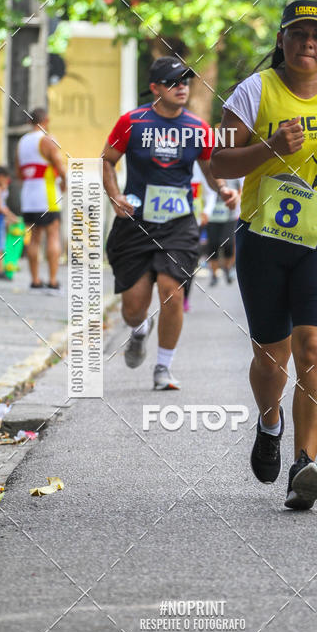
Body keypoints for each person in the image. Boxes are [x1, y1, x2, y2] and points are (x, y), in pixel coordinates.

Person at [211, 0, 317, 510]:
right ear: (281, 40)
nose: (308, 43)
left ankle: (305, 464)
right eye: (298, 34)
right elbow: (218, 161)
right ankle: (269, 422)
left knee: (313, 350)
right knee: (270, 353)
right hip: (264, 238)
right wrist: (270, 148)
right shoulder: (254, 91)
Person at [102, 56, 239, 390]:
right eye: (173, 82)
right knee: (134, 308)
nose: (182, 88)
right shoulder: (131, 122)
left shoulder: (198, 127)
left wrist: (222, 190)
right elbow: (107, 160)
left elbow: (209, 169)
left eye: (186, 82)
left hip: (179, 223)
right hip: (136, 222)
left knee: (172, 292)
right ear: (155, 88)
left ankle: (163, 368)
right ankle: (139, 330)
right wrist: (115, 196)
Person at [16, 107, 66, 292]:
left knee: (34, 238)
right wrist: (65, 183)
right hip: (47, 194)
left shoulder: (22, 142)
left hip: (28, 196)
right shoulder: (47, 140)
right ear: (46, 120)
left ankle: (35, 279)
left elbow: (18, 172)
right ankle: (52, 280)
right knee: (52, 234)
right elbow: (60, 168)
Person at [201, 177, 242, 286]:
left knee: (228, 245)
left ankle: (227, 268)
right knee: (213, 245)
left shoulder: (234, 177)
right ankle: (214, 274)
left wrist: (236, 200)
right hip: (212, 217)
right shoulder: (210, 176)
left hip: (229, 216)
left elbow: (240, 192)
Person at [0, 167, 18, 280]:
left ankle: (1, 269)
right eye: (6, 179)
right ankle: (0, 271)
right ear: (0, 177)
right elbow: (0, 208)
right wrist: (12, 217)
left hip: (0, 220)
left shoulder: (1, 189)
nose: (7, 182)